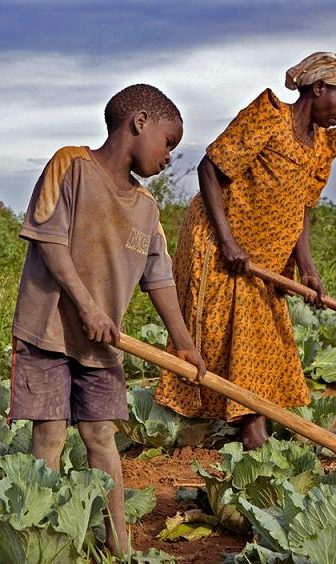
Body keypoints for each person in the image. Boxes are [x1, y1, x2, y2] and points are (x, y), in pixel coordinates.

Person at [9, 84, 205, 557]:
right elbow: (49, 240)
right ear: (139, 122)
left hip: (101, 346)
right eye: (168, 142)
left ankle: (119, 546)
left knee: (101, 438)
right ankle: (46, 542)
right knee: (50, 437)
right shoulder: (71, 165)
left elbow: (159, 280)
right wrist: (88, 306)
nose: (168, 158)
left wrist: (183, 341)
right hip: (47, 331)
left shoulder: (147, 209)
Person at [155, 52, 336, 450]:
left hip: (266, 260)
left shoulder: (320, 147)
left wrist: (307, 267)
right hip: (218, 244)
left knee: (265, 336)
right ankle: (243, 427)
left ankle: (246, 422)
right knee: (220, 331)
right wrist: (228, 241)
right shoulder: (269, 117)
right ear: (318, 89)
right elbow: (209, 169)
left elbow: (301, 208)